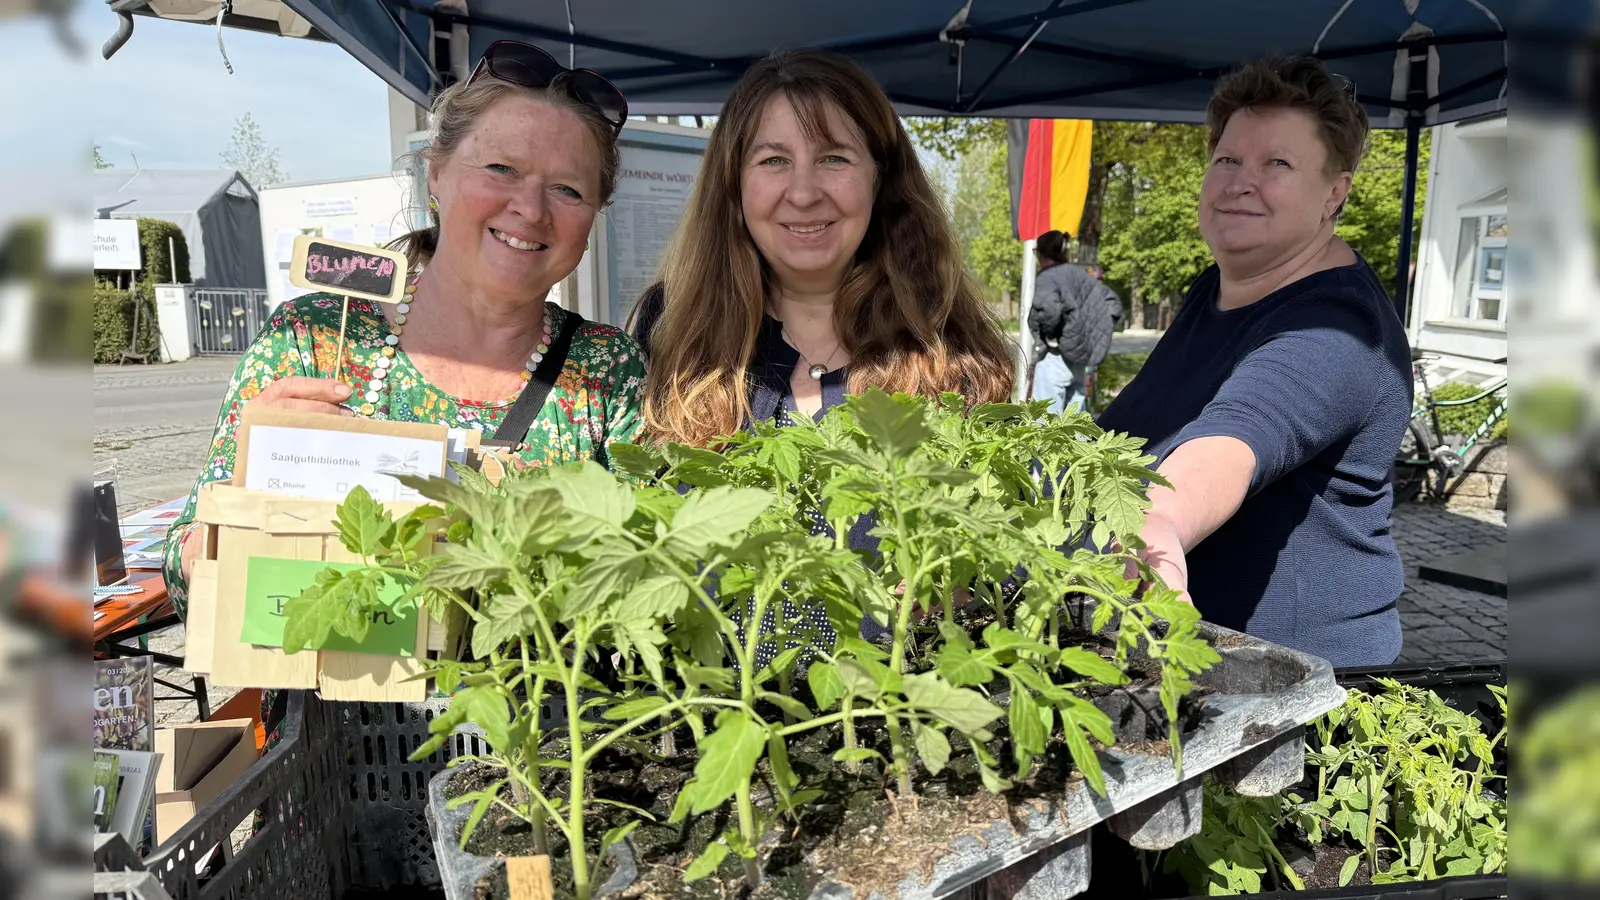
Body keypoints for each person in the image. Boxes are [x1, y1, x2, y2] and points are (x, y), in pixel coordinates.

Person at [161, 40, 646, 747]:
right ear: (439, 172)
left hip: (536, 770)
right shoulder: (319, 339)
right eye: (501, 169)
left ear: (593, 214)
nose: (531, 209)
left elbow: (641, 588)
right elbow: (187, 581)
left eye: (569, 189)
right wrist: (251, 498)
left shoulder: (606, 369)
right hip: (337, 763)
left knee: (522, 857)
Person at [628, 48, 1015, 656]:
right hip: (713, 726)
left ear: (879, 177)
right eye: (774, 159)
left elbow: (988, 576)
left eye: (834, 158)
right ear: (734, 183)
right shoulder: (669, 330)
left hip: (900, 720)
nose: (803, 193)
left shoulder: (949, 343)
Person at [1096, 56, 1412, 667]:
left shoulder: (1339, 329)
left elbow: (1239, 434)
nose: (1242, 182)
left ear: (1334, 193)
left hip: (1296, 695)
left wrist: (1157, 522)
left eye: (1278, 164)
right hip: (1184, 661)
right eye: (1229, 160)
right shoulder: (1215, 290)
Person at [1026, 230, 1122, 415]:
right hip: (1078, 358)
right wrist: (1089, 331)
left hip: (1056, 356)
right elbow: (1112, 303)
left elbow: (1048, 311)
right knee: (1076, 423)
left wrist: (1051, 337)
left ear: (1041, 253)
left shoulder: (1047, 277)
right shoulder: (1079, 275)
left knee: (1045, 422)